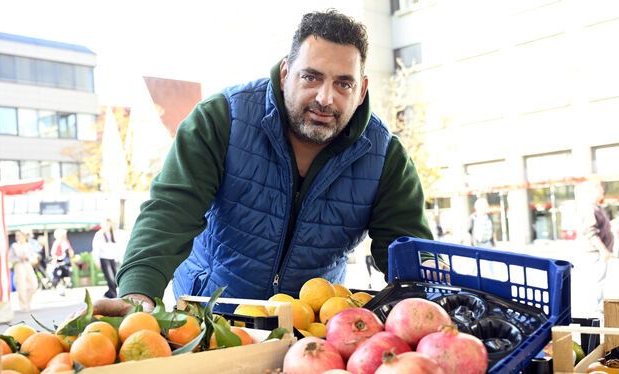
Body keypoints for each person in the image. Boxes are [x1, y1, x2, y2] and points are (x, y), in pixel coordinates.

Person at [93, 10, 432, 316]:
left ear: (361, 91)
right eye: (310, 77)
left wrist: (429, 311)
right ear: (286, 73)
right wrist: (138, 295)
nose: (325, 98)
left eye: (344, 83)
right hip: (213, 317)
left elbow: (411, 256)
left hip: (312, 330)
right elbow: (170, 211)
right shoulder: (222, 119)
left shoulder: (386, 156)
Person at [576, 180, 614, 316]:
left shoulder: (596, 207)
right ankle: (595, 312)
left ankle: (597, 310)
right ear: (593, 191)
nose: (602, 192)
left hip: (597, 252)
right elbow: (590, 231)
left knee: (599, 282)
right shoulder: (589, 208)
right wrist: (603, 249)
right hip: (594, 253)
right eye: (600, 190)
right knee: (596, 283)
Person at [8, 231, 38, 312]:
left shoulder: (29, 246)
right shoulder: (14, 246)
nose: (18, 237)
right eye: (17, 236)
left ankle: (28, 301)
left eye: (19, 236)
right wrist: (20, 258)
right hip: (19, 265)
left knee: (33, 285)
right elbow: (9, 258)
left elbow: (34, 256)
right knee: (21, 285)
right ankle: (23, 305)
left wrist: (28, 258)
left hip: (28, 265)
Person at [92, 218, 120, 298]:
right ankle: (114, 297)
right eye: (105, 224)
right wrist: (97, 261)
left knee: (116, 279)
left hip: (113, 259)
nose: (107, 226)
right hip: (104, 259)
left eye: (108, 224)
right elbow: (96, 249)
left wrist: (118, 258)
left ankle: (107, 295)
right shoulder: (99, 235)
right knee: (110, 279)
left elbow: (117, 248)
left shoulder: (114, 234)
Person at [50, 228, 74, 293]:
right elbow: (53, 253)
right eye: (64, 235)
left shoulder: (66, 242)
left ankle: (63, 287)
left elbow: (70, 251)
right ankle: (60, 288)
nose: (65, 236)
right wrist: (57, 259)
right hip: (59, 262)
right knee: (59, 275)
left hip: (65, 262)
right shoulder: (57, 243)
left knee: (67, 275)